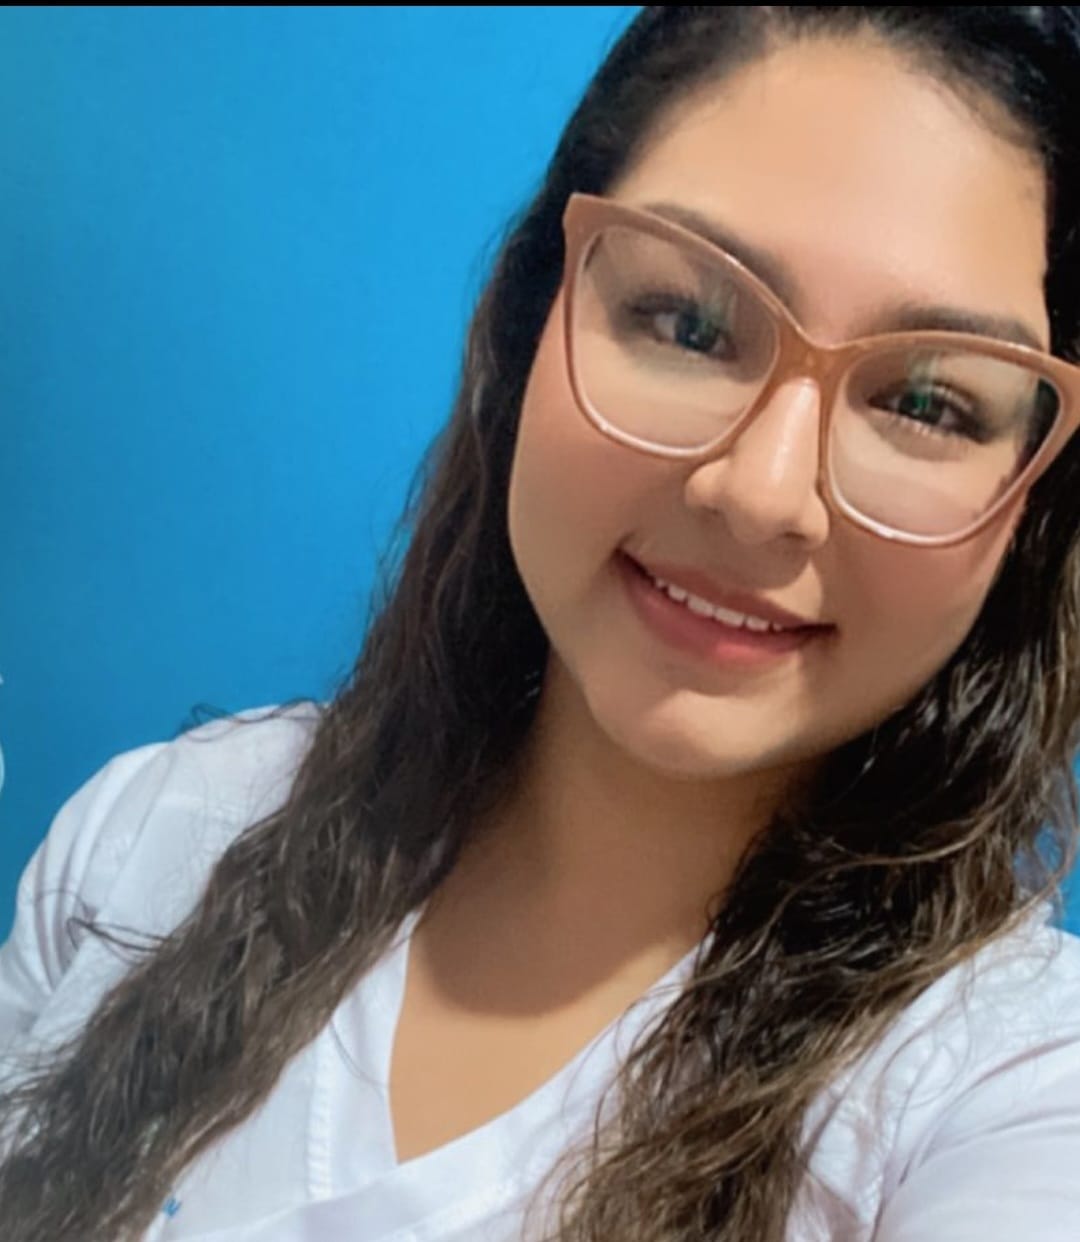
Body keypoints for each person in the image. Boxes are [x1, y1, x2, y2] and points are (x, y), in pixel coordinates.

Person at [3, 6, 1080, 1239]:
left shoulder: (1005, 1095)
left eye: (929, 404)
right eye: (688, 323)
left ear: (1031, 503)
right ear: (532, 326)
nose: (762, 494)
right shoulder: (154, 843)